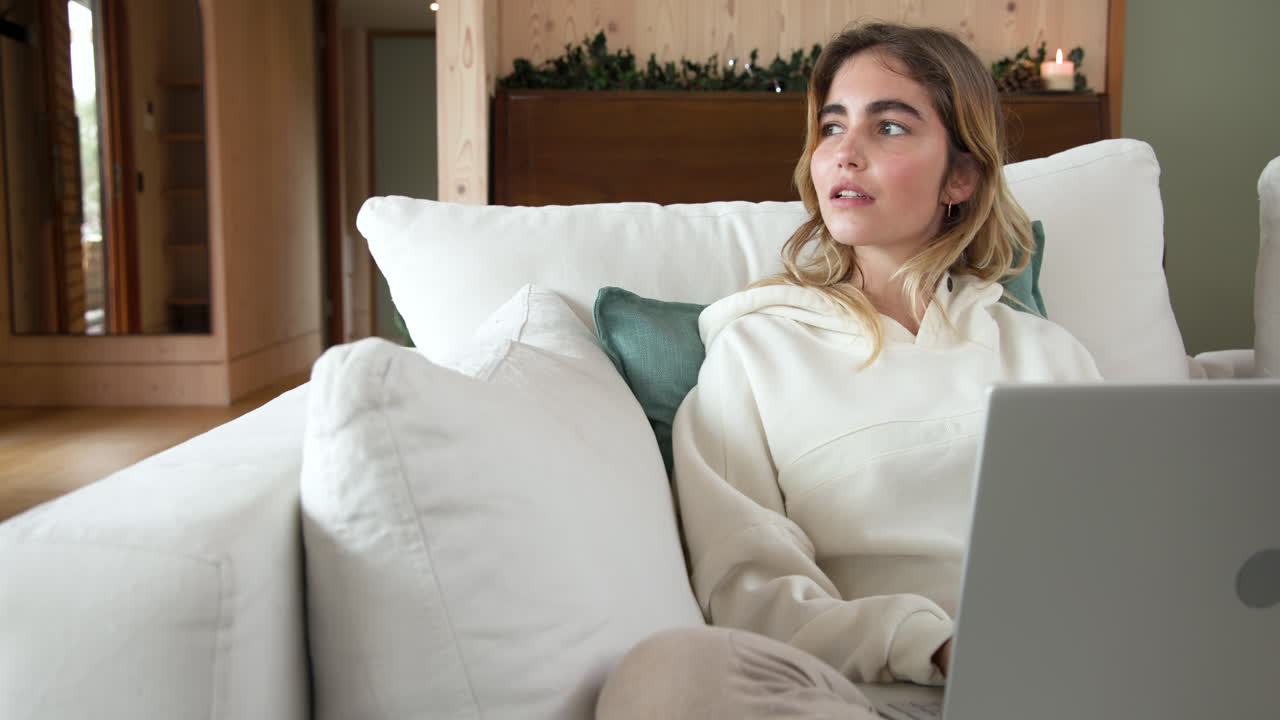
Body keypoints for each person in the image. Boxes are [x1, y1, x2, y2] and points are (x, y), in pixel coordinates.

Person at [595, 21, 1102, 720]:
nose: (845, 154)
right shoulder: (756, 351)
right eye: (833, 127)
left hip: (1055, 685)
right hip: (861, 699)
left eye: (889, 127)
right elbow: (751, 589)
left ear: (960, 175)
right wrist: (938, 645)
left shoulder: (1048, 354)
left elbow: (1117, 559)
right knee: (669, 674)